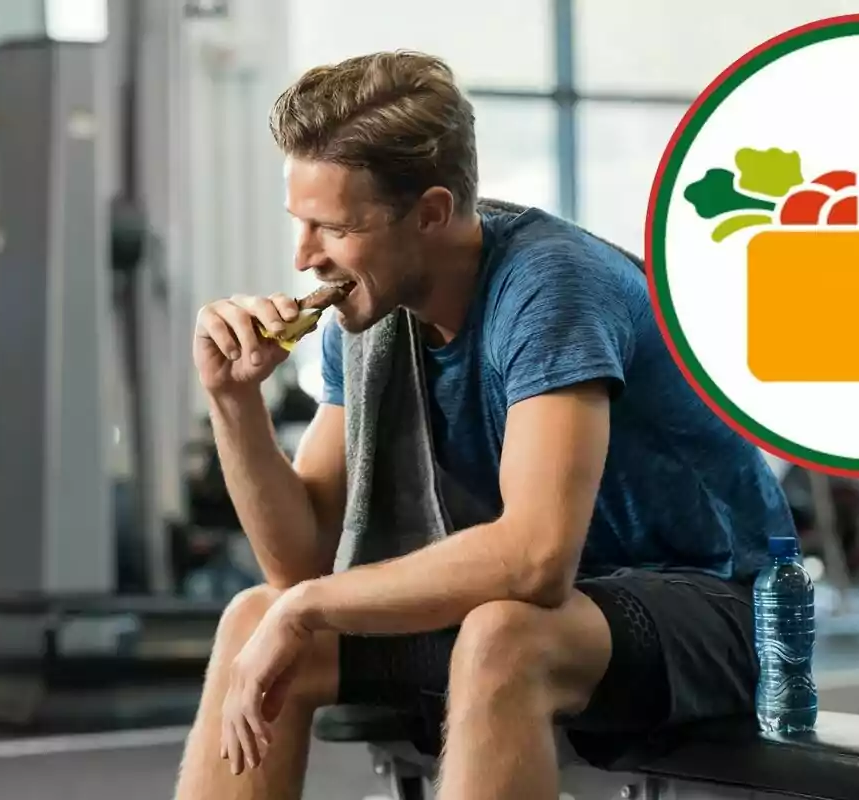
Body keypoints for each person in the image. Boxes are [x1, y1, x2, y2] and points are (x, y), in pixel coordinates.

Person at [174, 50, 796, 800]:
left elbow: (535, 560)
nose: (305, 257)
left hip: (725, 608)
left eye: (331, 228)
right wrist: (232, 403)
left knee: (506, 637)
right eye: (300, 223)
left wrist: (308, 607)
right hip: (554, 610)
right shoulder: (367, 312)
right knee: (255, 616)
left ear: (432, 213)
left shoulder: (552, 287)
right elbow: (297, 564)